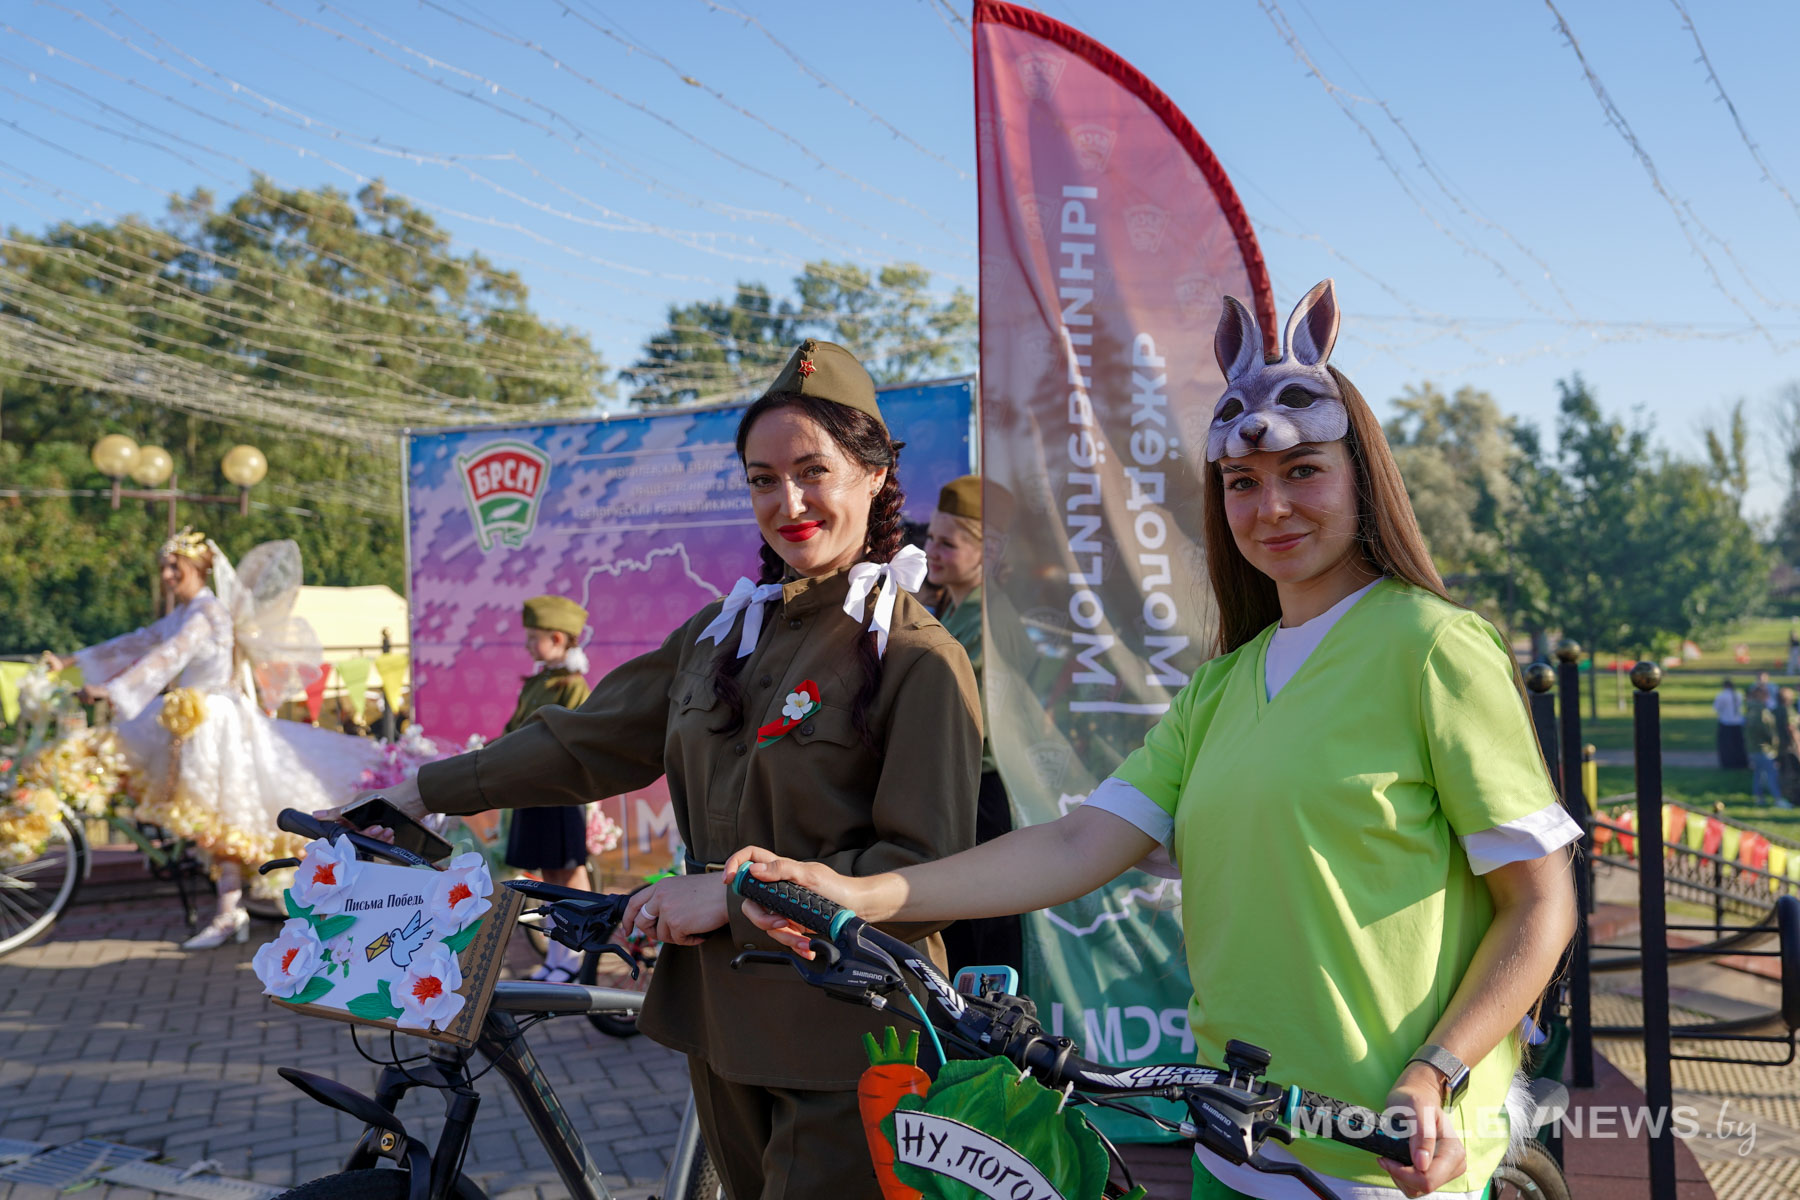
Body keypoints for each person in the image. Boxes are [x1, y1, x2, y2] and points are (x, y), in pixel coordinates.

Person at [729, 282, 1580, 1200]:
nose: (1272, 507)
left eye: (1303, 471)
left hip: (1386, 1155)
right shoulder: (1222, 686)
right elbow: (1076, 843)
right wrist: (855, 892)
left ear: (1361, 476)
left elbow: (1540, 905)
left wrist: (1436, 1072)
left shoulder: (1433, 647)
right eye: (1242, 483)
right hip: (1235, 1146)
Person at [327, 339, 980, 1200]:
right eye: (762, 479)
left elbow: (923, 870)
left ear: (873, 475)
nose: (788, 503)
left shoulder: (917, 658)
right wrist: (418, 794)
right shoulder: (720, 635)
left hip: (847, 1040)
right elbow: (583, 742)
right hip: (719, 1023)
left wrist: (732, 899)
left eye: (813, 472)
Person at [45, 529, 381, 948]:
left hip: (215, 723)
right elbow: (139, 641)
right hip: (191, 718)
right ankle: (230, 909)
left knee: (220, 817)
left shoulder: (206, 613)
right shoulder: (187, 611)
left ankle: (230, 913)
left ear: (199, 569)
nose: (167, 575)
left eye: (176, 567)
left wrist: (112, 690)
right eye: (164, 567)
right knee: (204, 814)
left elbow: (168, 656)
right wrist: (71, 661)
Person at [922, 474, 1023, 977]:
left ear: (990, 551)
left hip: (986, 791)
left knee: (988, 929)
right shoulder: (955, 608)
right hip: (961, 788)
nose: (930, 551)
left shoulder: (991, 616)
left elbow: (975, 716)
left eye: (947, 543)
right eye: (930, 537)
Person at [502, 594, 594, 982]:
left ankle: (577, 958)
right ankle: (557, 957)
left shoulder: (574, 686)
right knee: (549, 879)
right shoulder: (538, 682)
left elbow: (572, 736)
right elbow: (514, 730)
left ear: (557, 639)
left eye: (533, 637)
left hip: (559, 792)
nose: (527, 645)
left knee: (569, 874)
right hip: (533, 790)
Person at [1747, 685, 1782, 806]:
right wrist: (1774, 744)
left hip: (1754, 747)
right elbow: (1767, 731)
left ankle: (1759, 798)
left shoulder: (1750, 709)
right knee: (1772, 774)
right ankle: (1778, 798)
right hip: (1764, 748)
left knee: (1758, 774)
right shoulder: (1761, 711)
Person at [1713, 677, 1747, 769]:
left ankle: (1728, 762)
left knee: (1726, 745)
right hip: (1738, 722)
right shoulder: (1738, 694)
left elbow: (1716, 708)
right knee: (1739, 744)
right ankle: (1741, 762)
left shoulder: (1721, 695)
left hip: (1726, 722)